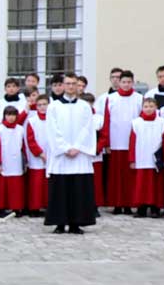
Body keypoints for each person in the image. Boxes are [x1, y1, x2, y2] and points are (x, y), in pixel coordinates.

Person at [43, 74, 99, 234]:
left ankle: (76, 222)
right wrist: (64, 147)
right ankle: (59, 222)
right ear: (62, 85)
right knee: (59, 189)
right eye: (68, 84)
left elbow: (88, 129)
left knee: (79, 189)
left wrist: (78, 147)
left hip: (79, 155)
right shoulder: (53, 107)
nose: (71, 87)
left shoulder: (84, 106)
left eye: (74, 84)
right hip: (61, 155)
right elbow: (52, 129)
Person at [97, 73, 142, 215]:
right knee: (115, 176)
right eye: (124, 81)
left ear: (133, 82)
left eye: (129, 82)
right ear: (119, 82)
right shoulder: (111, 98)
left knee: (129, 175)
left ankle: (128, 204)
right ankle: (116, 204)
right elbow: (106, 121)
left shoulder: (139, 98)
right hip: (115, 142)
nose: (126, 84)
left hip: (131, 143)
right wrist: (106, 142)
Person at [127, 94, 164, 218]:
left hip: (155, 158)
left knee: (156, 185)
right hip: (141, 157)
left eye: (151, 106)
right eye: (146, 106)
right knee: (141, 185)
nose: (148, 109)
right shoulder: (136, 122)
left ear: (156, 107)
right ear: (142, 108)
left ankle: (155, 208)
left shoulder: (162, 122)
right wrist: (132, 159)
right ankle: (141, 208)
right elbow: (132, 142)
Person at [0, 103, 28, 213]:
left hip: (16, 161)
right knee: (2, 186)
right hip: (4, 160)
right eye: (8, 115)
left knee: (16, 186)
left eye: (13, 115)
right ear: (4, 116)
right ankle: (0, 208)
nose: (11, 117)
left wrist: (25, 161)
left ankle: (16, 207)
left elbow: (23, 147)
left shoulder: (20, 129)